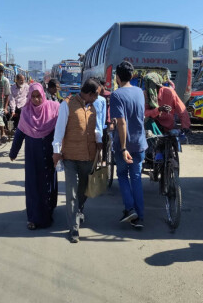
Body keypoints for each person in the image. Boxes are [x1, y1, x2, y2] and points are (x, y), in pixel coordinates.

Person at [52, 78, 101, 243]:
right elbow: (59, 130)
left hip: (89, 156)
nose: (97, 98)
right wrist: (56, 152)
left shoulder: (94, 106)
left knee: (85, 188)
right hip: (70, 157)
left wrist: (100, 146)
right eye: (96, 95)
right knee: (71, 192)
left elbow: (98, 128)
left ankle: (79, 209)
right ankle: (74, 229)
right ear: (89, 93)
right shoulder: (67, 104)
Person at [9, 83, 60, 230]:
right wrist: (13, 152)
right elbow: (19, 134)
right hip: (32, 155)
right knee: (33, 186)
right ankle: (32, 218)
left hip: (50, 154)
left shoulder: (54, 108)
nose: (37, 100)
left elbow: (62, 130)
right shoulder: (25, 112)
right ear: (29, 97)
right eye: (34, 97)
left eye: (39, 96)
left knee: (48, 183)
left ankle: (48, 212)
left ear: (43, 95)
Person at [111, 61, 148, 228]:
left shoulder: (117, 95)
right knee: (137, 178)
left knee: (122, 176)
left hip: (123, 145)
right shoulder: (140, 92)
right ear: (132, 75)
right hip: (140, 142)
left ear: (117, 77)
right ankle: (139, 217)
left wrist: (124, 147)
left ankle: (130, 209)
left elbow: (121, 123)